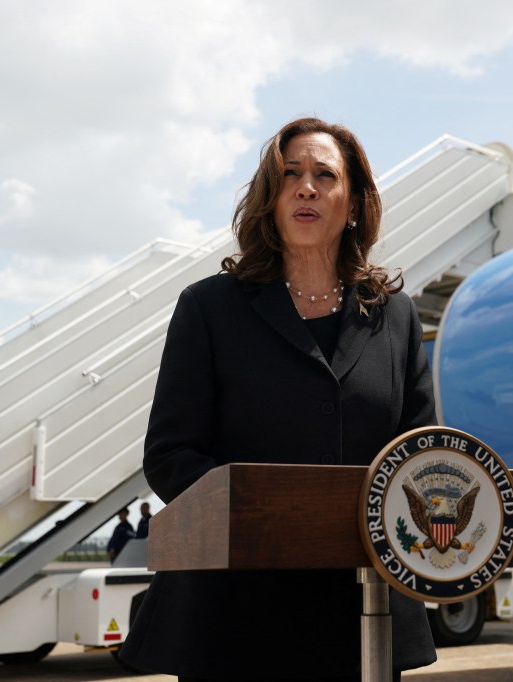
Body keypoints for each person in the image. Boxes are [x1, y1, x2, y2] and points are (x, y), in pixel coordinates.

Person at [119, 117, 437, 680]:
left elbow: (417, 453)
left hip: (364, 612)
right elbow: (170, 455)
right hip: (235, 612)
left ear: (355, 202)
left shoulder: (397, 316)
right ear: (271, 199)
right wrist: (270, 515)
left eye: (325, 175)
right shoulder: (209, 308)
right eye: (290, 174)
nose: (307, 187)